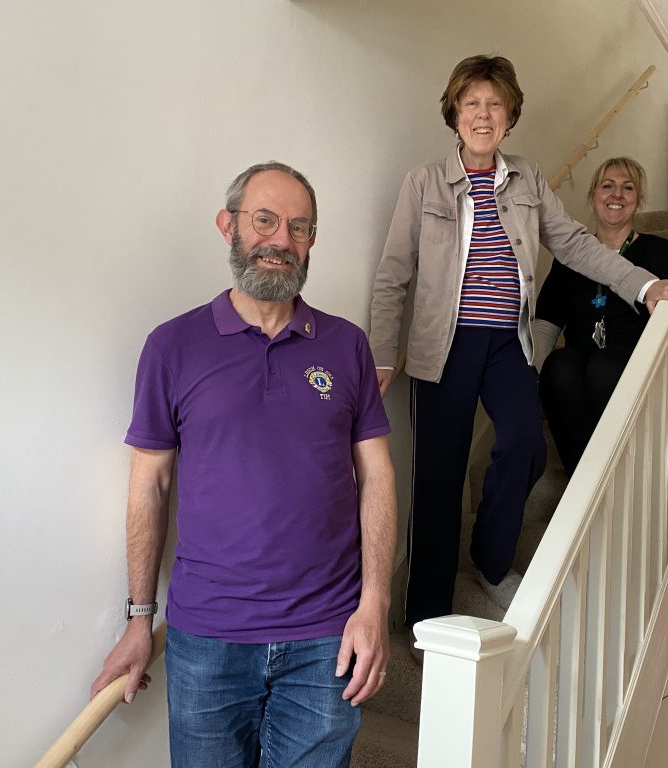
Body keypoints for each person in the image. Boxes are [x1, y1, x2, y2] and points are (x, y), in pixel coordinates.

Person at [91, 161, 397, 767]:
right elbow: (148, 485)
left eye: (299, 227)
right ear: (227, 225)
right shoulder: (171, 347)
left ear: (312, 240)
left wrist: (376, 604)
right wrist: (138, 618)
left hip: (328, 638)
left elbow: (378, 478)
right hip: (207, 638)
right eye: (264, 220)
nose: (280, 240)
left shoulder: (346, 345)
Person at [368, 55, 668, 631]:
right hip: (443, 347)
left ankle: (489, 561)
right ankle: (425, 617)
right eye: (472, 104)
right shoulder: (424, 183)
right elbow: (394, 272)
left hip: (506, 344)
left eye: (495, 105)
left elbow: (574, 245)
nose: (483, 115)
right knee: (438, 478)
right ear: (455, 114)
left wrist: (643, 285)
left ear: (510, 116)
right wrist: (381, 353)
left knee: (525, 445)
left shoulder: (529, 179)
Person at [534, 157, 668, 476]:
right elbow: (546, 322)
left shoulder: (662, 252)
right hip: (580, 362)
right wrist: (530, 380)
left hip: (633, 361)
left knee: (603, 366)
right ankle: (582, 480)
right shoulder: (569, 257)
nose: (617, 195)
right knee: (557, 366)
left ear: (638, 200)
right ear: (592, 197)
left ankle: (616, 474)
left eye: (628, 188)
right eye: (608, 186)